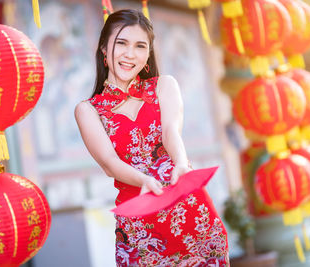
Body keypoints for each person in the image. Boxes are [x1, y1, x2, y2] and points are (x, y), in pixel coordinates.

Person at [75, 9, 229, 266]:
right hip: (139, 221)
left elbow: (170, 131)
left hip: (187, 207)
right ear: (104, 48)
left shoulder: (163, 86)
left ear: (148, 54)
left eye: (140, 46)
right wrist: (143, 179)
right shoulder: (88, 110)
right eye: (121, 43)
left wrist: (181, 163)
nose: (130, 54)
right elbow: (109, 163)